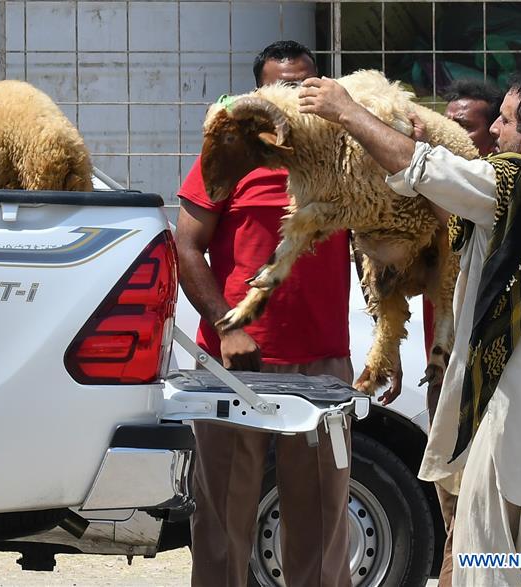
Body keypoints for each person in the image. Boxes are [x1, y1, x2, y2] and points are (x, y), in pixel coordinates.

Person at [299, 69, 521, 585]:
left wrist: (347, 111)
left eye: (507, 123)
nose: (494, 132)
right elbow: (450, 194)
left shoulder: (520, 182)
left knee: (483, 559)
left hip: (517, 410)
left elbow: (420, 168)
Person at [176, 40, 353, 587]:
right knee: (222, 521)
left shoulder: (343, 157)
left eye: (302, 86)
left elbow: (382, 238)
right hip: (234, 366)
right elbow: (185, 247)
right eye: (278, 86)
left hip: (322, 366)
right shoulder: (227, 154)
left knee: (322, 521)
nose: (291, 98)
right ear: (259, 95)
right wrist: (228, 325)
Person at [412, 77, 503, 587]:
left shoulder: (494, 190)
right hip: (443, 370)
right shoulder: (436, 188)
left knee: (478, 511)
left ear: (494, 135)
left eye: (462, 127)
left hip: (486, 378)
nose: (449, 135)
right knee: (453, 504)